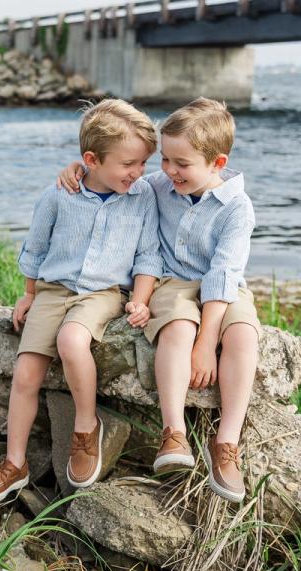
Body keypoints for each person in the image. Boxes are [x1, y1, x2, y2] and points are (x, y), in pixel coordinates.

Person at [56, 98, 261, 502]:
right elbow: (112, 175)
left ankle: (226, 444)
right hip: (173, 283)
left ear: (217, 163)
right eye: (165, 159)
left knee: (243, 337)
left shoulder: (237, 208)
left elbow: (222, 276)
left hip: (224, 288)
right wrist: (76, 169)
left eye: (181, 163)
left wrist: (208, 345)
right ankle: (174, 433)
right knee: (178, 326)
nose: (168, 170)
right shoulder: (158, 186)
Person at [0, 99, 162, 503]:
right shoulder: (59, 194)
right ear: (90, 159)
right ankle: (15, 462)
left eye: (143, 163)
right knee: (25, 375)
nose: (138, 172)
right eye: (129, 163)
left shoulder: (143, 195)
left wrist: (141, 298)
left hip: (102, 293)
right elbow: (35, 248)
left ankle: (85, 428)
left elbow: (148, 255)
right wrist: (28, 294)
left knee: (72, 342)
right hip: (53, 290)